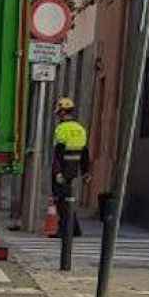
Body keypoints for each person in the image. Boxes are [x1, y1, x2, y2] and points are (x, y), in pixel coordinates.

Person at [51, 97, 88, 238]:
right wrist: (85, 172)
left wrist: (57, 172)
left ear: (61, 112)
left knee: (61, 200)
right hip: (74, 169)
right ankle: (75, 229)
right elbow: (85, 152)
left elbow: (57, 154)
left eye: (59, 113)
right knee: (67, 199)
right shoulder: (80, 129)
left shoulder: (61, 129)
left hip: (62, 169)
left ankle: (65, 230)